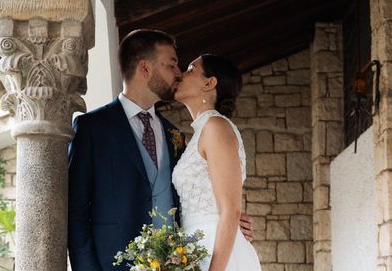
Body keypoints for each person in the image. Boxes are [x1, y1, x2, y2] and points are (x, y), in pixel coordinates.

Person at [67, 30, 253, 271]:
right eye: (173, 65)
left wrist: (231, 216)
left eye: (186, 69)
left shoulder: (175, 135)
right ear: (145, 69)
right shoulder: (93, 128)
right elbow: (76, 212)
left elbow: (201, 190)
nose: (178, 74)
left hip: (180, 261)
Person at [172, 54, 262, 271]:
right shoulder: (202, 131)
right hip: (195, 250)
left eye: (190, 69)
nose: (180, 74)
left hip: (217, 254)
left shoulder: (216, 126)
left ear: (209, 83)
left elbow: (230, 211)